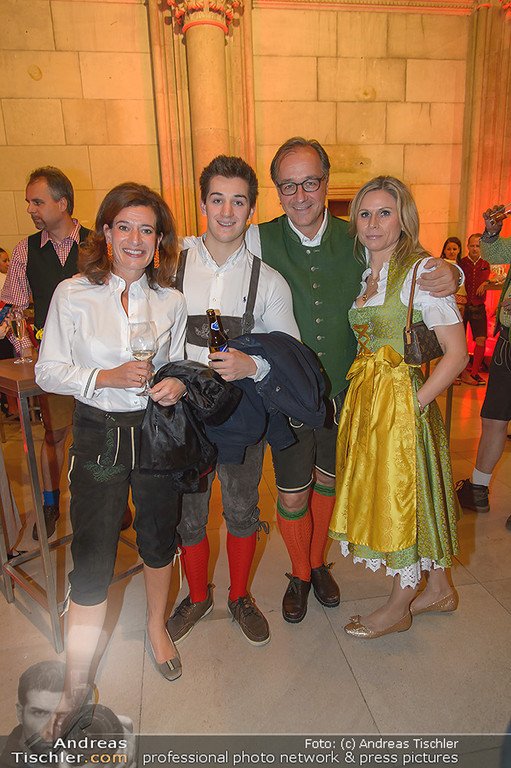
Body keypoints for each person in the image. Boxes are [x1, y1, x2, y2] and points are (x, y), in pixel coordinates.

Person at [242, 138, 461, 623]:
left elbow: (411, 266)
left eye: (310, 182)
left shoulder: (359, 238)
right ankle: (300, 573)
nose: (300, 195)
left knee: (330, 482)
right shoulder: (257, 238)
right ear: (276, 190)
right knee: (292, 490)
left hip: (348, 391)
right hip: (286, 391)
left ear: (326, 183)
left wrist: (453, 272)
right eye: (288, 186)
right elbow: (212, 257)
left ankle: (319, 565)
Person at [35, 182, 188, 692]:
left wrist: (175, 383)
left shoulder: (170, 301)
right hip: (99, 431)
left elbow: (176, 364)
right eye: (124, 227)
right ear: (106, 231)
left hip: (155, 430)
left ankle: (156, 627)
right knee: (94, 551)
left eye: (147, 230)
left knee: (158, 536)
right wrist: (104, 376)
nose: (135, 240)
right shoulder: (73, 293)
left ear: (159, 239)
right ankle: (77, 674)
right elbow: (48, 371)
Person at [168, 155, 300, 646]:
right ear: (203, 204)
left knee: (243, 509)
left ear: (251, 209)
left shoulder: (270, 281)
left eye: (238, 201)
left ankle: (240, 595)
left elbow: (289, 355)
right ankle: (196, 595)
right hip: (181, 413)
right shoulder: (170, 265)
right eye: (217, 199)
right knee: (189, 514)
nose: (227, 211)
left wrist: (253, 365)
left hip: (242, 415)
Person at [328, 175, 467, 639]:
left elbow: (457, 354)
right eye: (365, 214)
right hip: (369, 398)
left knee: (400, 496)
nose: (372, 223)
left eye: (384, 213)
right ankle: (439, 589)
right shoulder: (368, 274)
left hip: (402, 401)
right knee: (412, 491)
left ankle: (399, 603)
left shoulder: (420, 272)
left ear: (403, 219)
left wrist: (414, 403)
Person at [1, 168, 89, 540]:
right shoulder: (25, 250)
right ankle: (51, 504)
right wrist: (26, 350)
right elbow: (13, 307)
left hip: (99, 362)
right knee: (54, 435)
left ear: (62, 203)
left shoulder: (97, 243)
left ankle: (114, 503)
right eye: (28, 202)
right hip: (54, 362)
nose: (30, 209)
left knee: (103, 433)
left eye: (37, 202)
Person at [456, 205, 511, 531]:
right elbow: (497, 252)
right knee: (493, 418)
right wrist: (491, 231)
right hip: (507, 344)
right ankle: (478, 488)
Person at [459, 233, 490, 385]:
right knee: (459, 340)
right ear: (468, 247)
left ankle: (475, 372)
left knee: (481, 339)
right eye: (472, 246)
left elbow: (496, 278)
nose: (475, 249)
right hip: (462, 306)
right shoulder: (462, 263)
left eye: (477, 246)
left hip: (478, 306)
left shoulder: (486, 263)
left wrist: (486, 283)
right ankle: (459, 371)